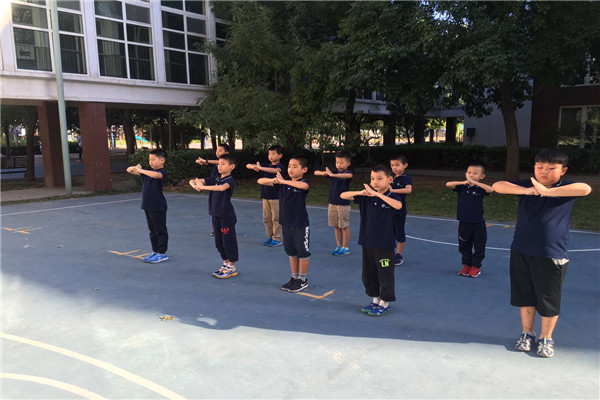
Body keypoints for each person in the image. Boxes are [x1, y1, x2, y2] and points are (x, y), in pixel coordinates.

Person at [492, 148, 592, 358]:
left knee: (548, 299)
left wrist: (547, 192)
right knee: (525, 296)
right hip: (521, 249)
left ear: (563, 170)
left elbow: (585, 188)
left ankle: (547, 338)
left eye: (551, 168)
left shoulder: (565, 189)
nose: (544, 171)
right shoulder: (528, 185)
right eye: (540, 167)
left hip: (551, 253)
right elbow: (498, 186)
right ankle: (527, 333)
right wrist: (528, 191)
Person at [340, 165, 403, 316]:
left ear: (389, 180)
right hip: (367, 242)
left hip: (384, 245)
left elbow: (398, 206)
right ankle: (375, 299)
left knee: (385, 273)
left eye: (380, 179)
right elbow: (343, 195)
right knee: (369, 274)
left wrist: (377, 195)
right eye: (373, 178)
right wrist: (360, 192)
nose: (375, 182)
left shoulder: (392, 197)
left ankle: (385, 301)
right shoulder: (366, 197)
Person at [258, 155, 311, 292]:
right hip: (286, 223)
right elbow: (260, 180)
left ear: (304, 170)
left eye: (295, 167)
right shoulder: (282, 184)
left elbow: (304, 186)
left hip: (300, 224)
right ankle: (294, 277)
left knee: (302, 252)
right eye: (289, 166)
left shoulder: (302, 183)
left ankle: (302, 280)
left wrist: (284, 181)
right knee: (291, 252)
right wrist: (275, 180)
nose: (291, 169)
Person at [190, 154, 239, 279]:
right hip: (215, 215)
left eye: (223, 164)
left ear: (231, 166)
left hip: (226, 216)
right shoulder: (216, 178)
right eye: (218, 164)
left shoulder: (229, 181)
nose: (219, 166)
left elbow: (222, 188)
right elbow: (195, 180)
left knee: (228, 241)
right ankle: (225, 263)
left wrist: (203, 187)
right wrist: (195, 185)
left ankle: (231, 266)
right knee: (219, 241)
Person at [445, 163, 494, 278]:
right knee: (464, 245)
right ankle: (466, 264)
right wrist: (463, 182)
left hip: (477, 223)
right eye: (469, 172)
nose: (471, 175)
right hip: (464, 222)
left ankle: (475, 266)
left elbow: (491, 189)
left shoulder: (480, 189)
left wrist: (476, 183)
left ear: (482, 176)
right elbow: (448, 184)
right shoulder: (462, 187)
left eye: (475, 173)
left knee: (479, 245)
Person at [126, 149, 169, 264]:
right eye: (149, 160)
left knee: (160, 230)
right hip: (147, 205)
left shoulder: (162, 172)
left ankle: (162, 253)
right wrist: (136, 168)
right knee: (152, 231)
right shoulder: (147, 172)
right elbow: (129, 170)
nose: (151, 162)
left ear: (162, 160)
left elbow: (156, 175)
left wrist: (141, 170)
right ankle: (155, 251)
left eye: (153, 160)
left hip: (158, 206)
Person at [314, 151, 353, 256]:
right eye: (337, 162)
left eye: (341, 162)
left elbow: (349, 175)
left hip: (343, 203)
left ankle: (345, 247)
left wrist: (333, 175)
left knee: (344, 225)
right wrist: (323, 173)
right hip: (332, 203)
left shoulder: (347, 173)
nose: (338, 165)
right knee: (336, 225)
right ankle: (338, 246)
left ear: (348, 164)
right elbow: (315, 172)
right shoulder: (333, 172)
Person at [246, 145, 284, 247]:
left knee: (276, 218)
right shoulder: (265, 165)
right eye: (269, 154)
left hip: (276, 197)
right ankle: (270, 236)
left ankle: (277, 238)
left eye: (273, 154)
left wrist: (260, 168)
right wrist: (254, 167)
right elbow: (247, 165)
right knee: (267, 218)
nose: (271, 156)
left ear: (280, 155)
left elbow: (276, 171)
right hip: (265, 196)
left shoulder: (280, 166)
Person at [196, 143, 231, 236]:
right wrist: (201, 162)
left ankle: (225, 228)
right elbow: (212, 162)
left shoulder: (228, 162)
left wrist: (206, 161)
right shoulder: (214, 163)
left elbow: (216, 162)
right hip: (214, 183)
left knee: (222, 207)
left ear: (226, 153)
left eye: (220, 150)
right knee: (214, 206)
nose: (217, 152)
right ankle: (216, 229)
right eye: (216, 150)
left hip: (221, 185)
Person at [389, 155, 412, 265]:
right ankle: (389, 252)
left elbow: (408, 190)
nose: (395, 167)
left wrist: (393, 190)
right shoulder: (390, 177)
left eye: (397, 165)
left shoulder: (406, 178)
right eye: (392, 165)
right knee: (389, 233)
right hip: (388, 210)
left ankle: (398, 254)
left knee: (399, 233)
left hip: (399, 211)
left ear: (405, 165)